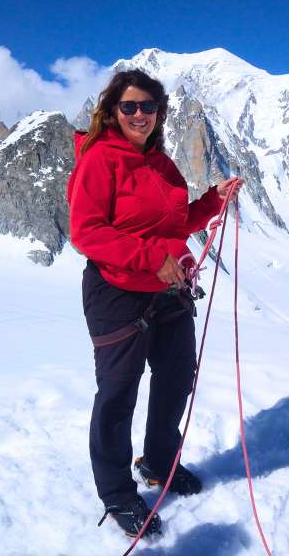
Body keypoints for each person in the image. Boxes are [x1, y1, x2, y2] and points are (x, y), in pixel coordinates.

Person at [67, 69, 243, 537]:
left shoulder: (161, 165)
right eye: (130, 107)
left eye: (148, 106)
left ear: (159, 112)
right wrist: (150, 258)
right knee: (118, 394)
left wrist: (213, 201)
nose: (140, 114)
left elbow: (174, 222)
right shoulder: (100, 159)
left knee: (176, 378)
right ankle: (118, 494)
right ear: (113, 111)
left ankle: (160, 463)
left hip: (168, 289)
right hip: (118, 292)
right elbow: (87, 232)